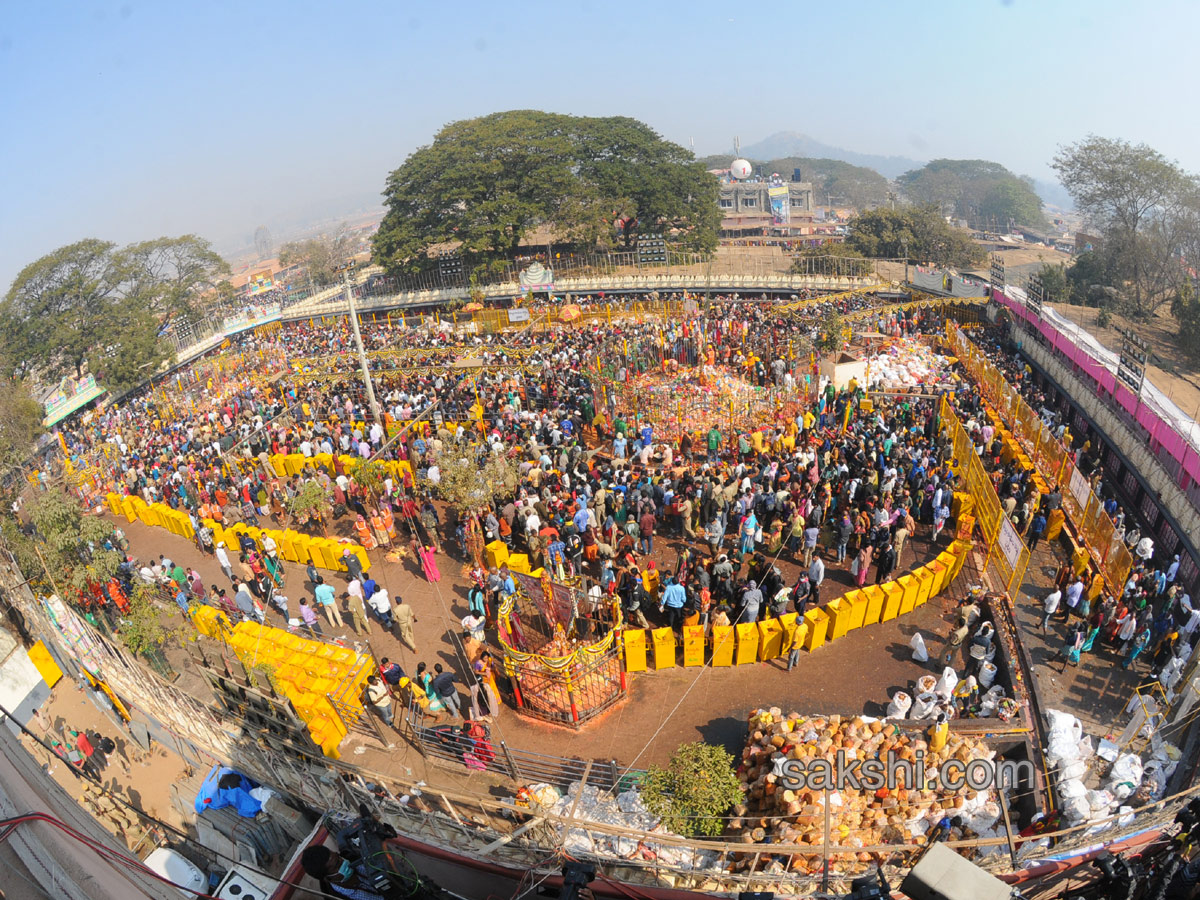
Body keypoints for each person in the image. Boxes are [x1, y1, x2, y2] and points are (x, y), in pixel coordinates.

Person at [299, 845, 389, 900]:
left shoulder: (354, 858)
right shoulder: (340, 897)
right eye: (337, 865)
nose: (344, 862)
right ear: (328, 878)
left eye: (339, 857)